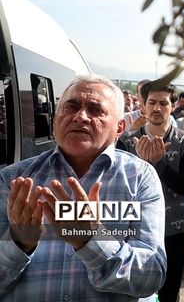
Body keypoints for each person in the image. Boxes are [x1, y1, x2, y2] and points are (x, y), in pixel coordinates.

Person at [0, 74, 167, 301]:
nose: (80, 117)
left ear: (119, 128)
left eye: (96, 110)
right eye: (70, 107)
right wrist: (20, 242)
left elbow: (151, 277)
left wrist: (91, 240)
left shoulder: (140, 178)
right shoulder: (13, 180)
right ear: (54, 120)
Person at [116, 80, 184, 302]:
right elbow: (119, 189)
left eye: (163, 103)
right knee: (131, 290)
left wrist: (158, 164)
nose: (157, 108)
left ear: (173, 107)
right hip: (133, 230)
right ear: (143, 106)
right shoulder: (126, 142)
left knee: (169, 291)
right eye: (151, 102)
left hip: (172, 230)